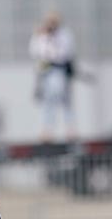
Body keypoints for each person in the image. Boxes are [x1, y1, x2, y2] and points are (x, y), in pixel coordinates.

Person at [29, 11, 76, 142]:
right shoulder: (41, 35)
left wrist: (53, 44)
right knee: (48, 102)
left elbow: (65, 53)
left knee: (64, 100)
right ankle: (47, 131)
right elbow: (35, 51)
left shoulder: (64, 35)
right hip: (45, 72)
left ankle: (70, 129)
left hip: (59, 70)